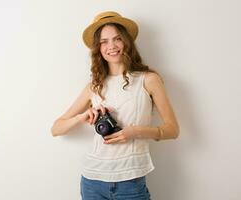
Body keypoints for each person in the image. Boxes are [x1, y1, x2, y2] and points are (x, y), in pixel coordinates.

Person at [51, 11, 180, 200]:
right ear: (98, 48)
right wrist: (83, 116)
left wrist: (135, 132)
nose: (111, 46)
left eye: (117, 39)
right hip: (92, 181)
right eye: (104, 41)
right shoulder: (94, 86)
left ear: (126, 42)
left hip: (131, 182)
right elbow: (56, 128)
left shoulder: (148, 80)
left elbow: (173, 130)